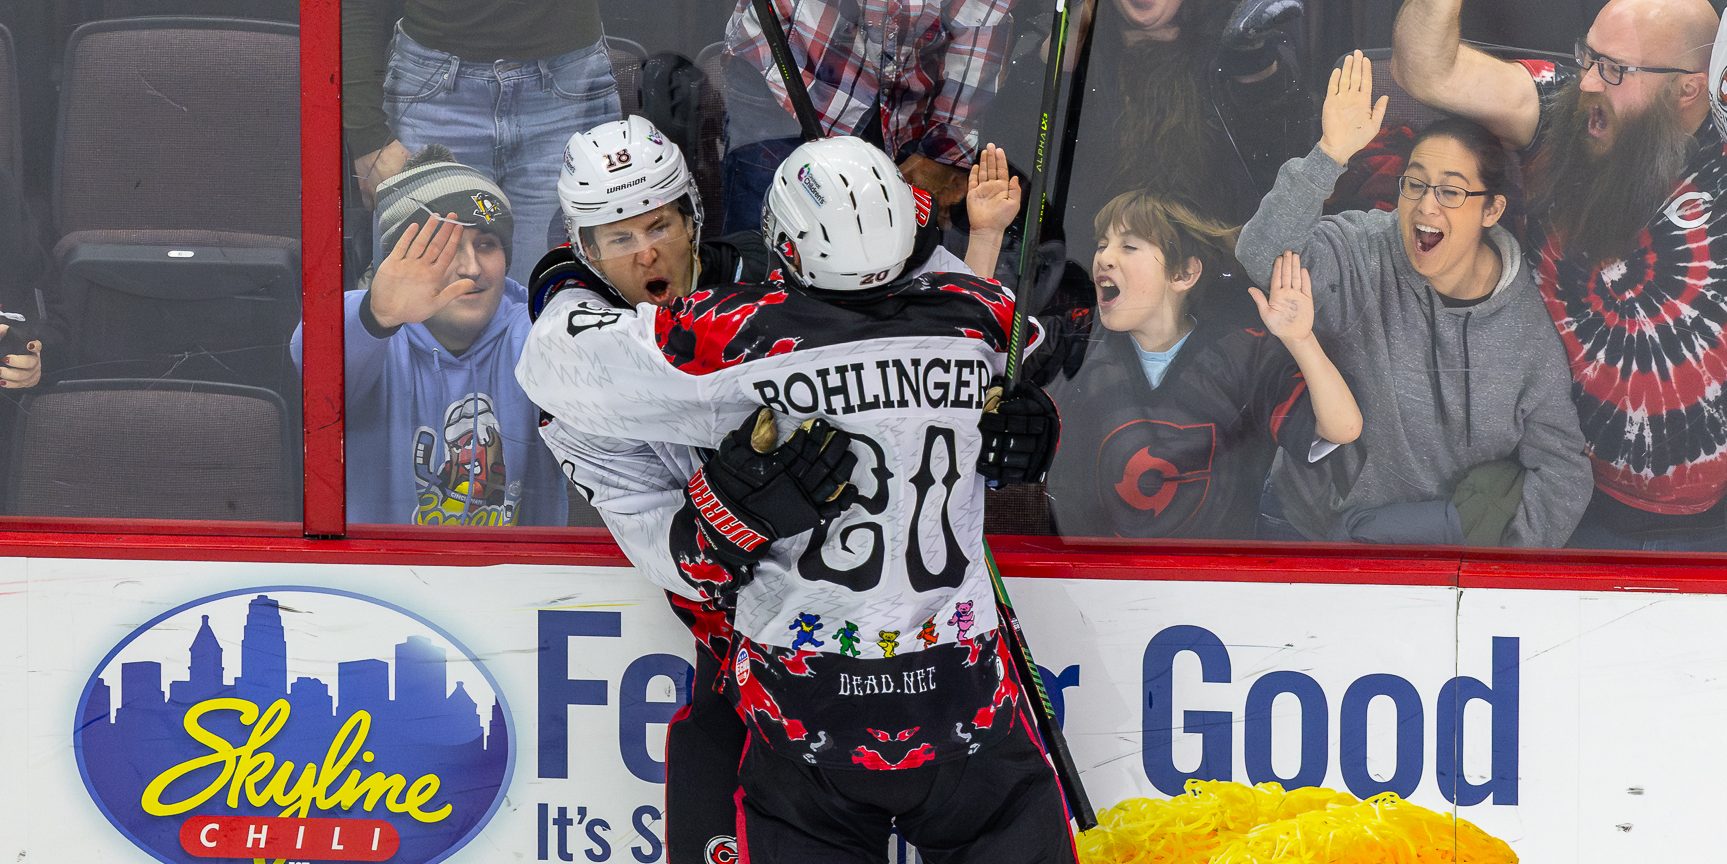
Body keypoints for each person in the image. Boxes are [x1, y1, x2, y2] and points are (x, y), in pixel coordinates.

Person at [517, 135, 1072, 863]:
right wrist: (731, 516)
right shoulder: (593, 383)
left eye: (659, 226)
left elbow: (959, 338)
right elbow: (664, 549)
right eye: (618, 237)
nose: (646, 253)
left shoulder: (754, 307)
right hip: (744, 682)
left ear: (694, 218)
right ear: (584, 251)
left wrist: (1024, 423)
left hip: (901, 683)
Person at [1391, 0, 1727, 550]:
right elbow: (1425, 70)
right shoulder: (1561, 108)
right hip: (1559, 487)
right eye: (1589, 56)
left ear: (1688, 89)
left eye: (1616, 69)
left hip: (1704, 522)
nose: (1590, 81)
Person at [1236, 52, 1592, 547]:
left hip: (1437, 560)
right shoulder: (1363, 251)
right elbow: (1261, 253)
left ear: (1492, 209)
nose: (1426, 205)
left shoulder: (1527, 328)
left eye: (1451, 192)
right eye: (1416, 183)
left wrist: (1497, 568)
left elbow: (1563, 471)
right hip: (1306, 527)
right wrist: (1330, 154)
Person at [1047, 190, 1360, 539]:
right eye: (1102, 244)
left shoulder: (1242, 355)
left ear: (1183, 274)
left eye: (1129, 246)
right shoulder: (1074, 346)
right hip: (1084, 579)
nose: (1104, 257)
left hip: (1212, 582)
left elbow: (1342, 428)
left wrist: (1300, 340)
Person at [292, 147, 566, 526]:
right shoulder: (369, 332)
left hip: (523, 576)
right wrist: (378, 316)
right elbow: (310, 357)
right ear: (396, 263)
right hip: (381, 575)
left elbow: (579, 352)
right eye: (445, 246)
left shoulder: (534, 327)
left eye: (486, 244)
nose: (471, 268)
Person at [343, 0, 620, 283]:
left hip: (567, 83)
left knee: (553, 310)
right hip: (435, 90)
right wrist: (368, 136)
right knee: (419, 313)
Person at [717, 0, 1013, 233]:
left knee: (878, 269)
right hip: (788, 70)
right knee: (765, 250)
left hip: (907, 108)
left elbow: (980, 19)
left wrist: (942, 148)